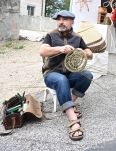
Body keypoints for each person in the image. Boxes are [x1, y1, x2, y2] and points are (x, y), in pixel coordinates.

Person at [39, 10, 93, 141]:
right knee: (61, 80)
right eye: (59, 20)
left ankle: (69, 104)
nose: (61, 22)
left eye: (64, 19)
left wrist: (82, 51)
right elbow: (42, 51)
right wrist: (59, 49)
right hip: (51, 74)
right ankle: (73, 120)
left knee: (87, 75)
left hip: (70, 74)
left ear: (72, 22)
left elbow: (90, 53)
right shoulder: (50, 35)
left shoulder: (77, 37)